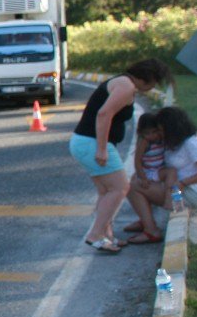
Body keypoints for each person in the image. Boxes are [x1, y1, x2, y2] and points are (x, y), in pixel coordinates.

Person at [68, 59, 171, 252]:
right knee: (121, 187)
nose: (153, 87)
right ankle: (95, 235)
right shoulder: (126, 86)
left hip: (84, 141)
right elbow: (103, 114)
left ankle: (107, 235)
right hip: (92, 143)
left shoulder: (122, 82)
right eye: (154, 82)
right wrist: (101, 148)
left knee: (106, 191)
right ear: (146, 78)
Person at [125, 107, 197, 242]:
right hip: (174, 187)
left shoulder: (192, 142)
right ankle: (146, 220)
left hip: (189, 192)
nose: (159, 133)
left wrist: (183, 183)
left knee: (132, 187)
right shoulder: (173, 141)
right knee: (138, 181)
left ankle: (151, 230)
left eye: (161, 129)